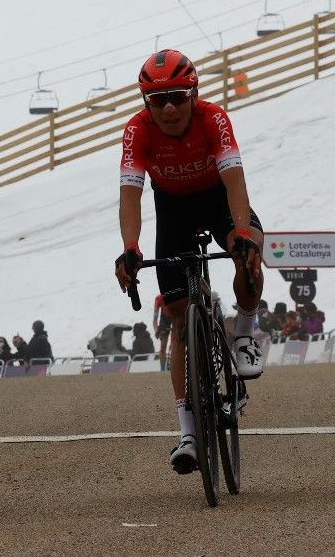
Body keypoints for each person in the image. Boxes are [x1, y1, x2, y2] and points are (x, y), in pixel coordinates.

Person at [113, 49, 265, 476]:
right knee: (180, 321)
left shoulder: (213, 118)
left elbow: (236, 183)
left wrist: (242, 236)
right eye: (156, 100)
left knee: (249, 255)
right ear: (145, 103)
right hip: (174, 210)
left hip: (219, 200)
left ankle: (245, 334)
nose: (168, 109)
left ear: (194, 93)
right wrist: (131, 246)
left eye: (177, 97)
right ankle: (188, 433)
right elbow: (131, 196)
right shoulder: (137, 131)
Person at [152, 293, 173, 370]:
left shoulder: (173, 295)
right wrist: (157, 330)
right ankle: (162, 369)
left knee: (175, 341)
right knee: (163, 345)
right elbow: (155, 319)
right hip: (165, 318)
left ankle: (173, 363)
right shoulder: (158, 299)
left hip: (175, 315)